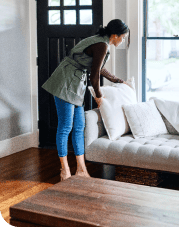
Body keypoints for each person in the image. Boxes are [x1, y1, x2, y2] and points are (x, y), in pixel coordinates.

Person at [42, 19, 130, 181]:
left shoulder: (101, 42)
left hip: (76, 84)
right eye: (123, 37)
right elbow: (94, 74)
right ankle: (65, 170)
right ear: (115, 35)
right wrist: (98, 96)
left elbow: (99, 68)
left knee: (79, 126)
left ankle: (81, 169)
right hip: (65, 82)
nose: (122, 40)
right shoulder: (102, 44)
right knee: (65, 126)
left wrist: (118, 80)